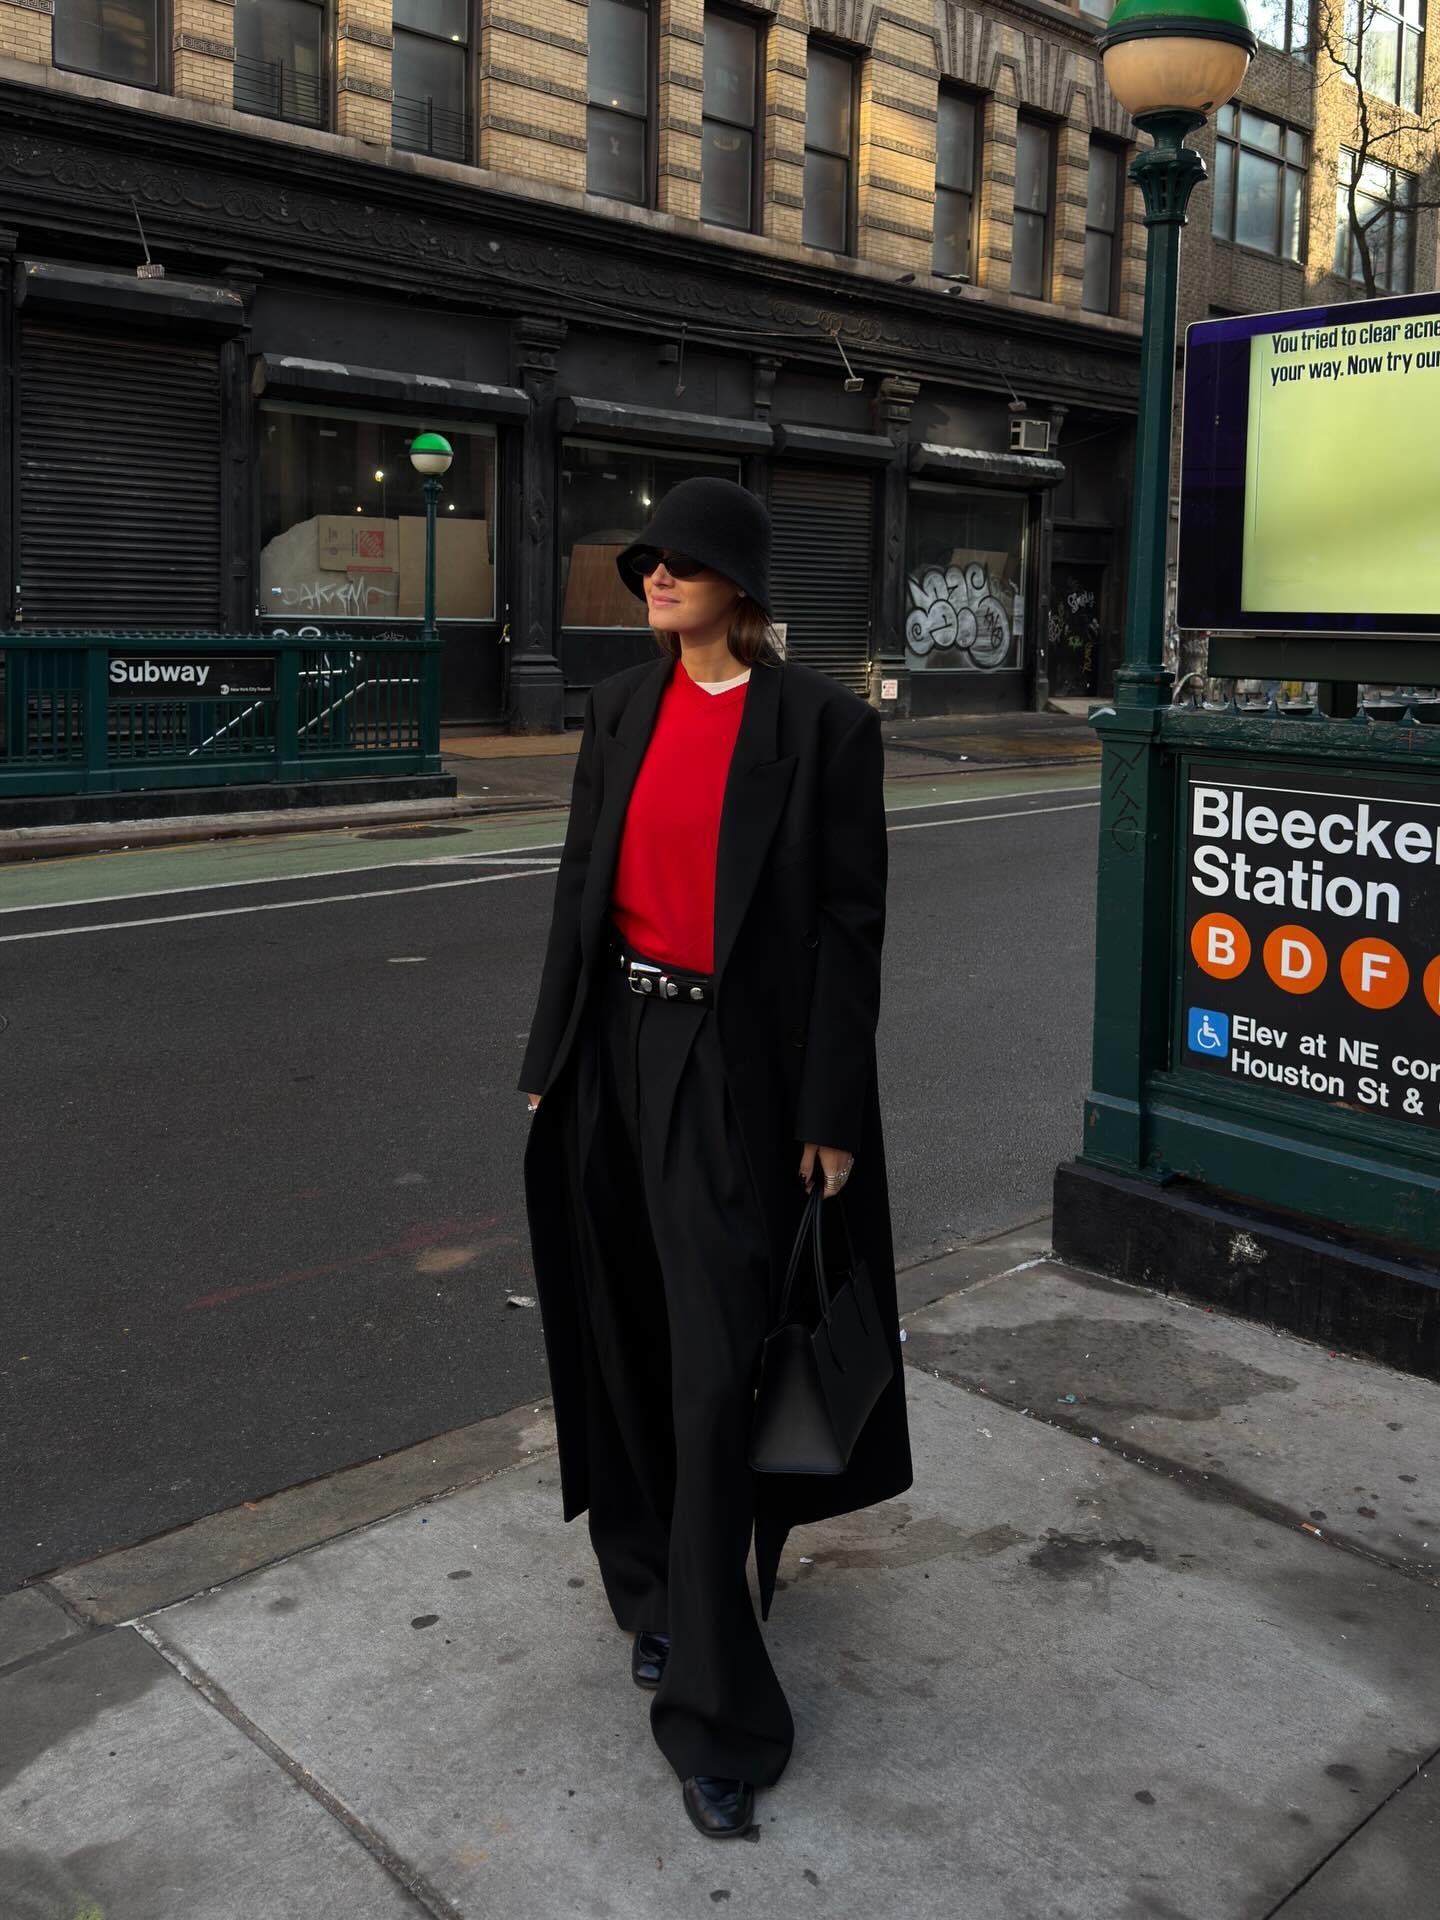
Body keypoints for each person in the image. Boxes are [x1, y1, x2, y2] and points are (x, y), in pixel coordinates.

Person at [517, 475, 911, 1841]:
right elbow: (580, 889)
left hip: (735, 1082)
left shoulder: (822, 728)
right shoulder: (620, 707)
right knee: (621, 1332)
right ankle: (654, 1593)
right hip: (613, 1054)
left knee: (709, 1376)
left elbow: (847, 933)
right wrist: (544, 1060)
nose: (654, 578)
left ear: (739, 585)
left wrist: (831, 1114)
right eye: (647, 563)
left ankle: (721, 1712)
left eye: (680, 563)